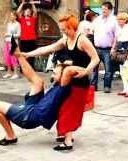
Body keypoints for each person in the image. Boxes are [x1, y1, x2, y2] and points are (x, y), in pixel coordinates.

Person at [22, 15, 99, 151]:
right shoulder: (65, 39)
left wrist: (86, 71)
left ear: (73, 27)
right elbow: (47, 49)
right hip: (66, 80)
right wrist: (28, 54)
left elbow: (95, 59)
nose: (63, 32)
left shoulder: (82, 40)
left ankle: (68, 142)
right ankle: (63, 134)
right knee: (61, 106)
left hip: (79, 82)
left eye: (65, 29)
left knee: (68, 109)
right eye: (62, 29)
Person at [0, 37, 83, 146]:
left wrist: (84, 67)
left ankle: (10, 137)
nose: (52, 74)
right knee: (38, 82)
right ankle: (18, 55)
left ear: (64, 75)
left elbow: (72, 70)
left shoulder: (63, 85)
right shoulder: (60, 86)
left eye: (55, 73)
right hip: (36, 106)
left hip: (30, 116)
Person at [91, 1, 118, 93]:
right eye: (102, 9)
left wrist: (113, 48)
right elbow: (91, 30)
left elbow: (116, 36)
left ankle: (107, 86)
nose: (103, 11)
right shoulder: (97, 19)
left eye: (105, 9)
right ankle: (93, 86)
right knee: (94, 68)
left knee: (108, 69)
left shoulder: (114, 20)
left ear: (110, 10)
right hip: (96, 48)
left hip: (107, 49)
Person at [114, 13, 128, 97]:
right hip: (121, 50)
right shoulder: (120, 29)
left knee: (127, 71)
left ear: (125, 20)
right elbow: (117, 39)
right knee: (122, 71)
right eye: (118, 19)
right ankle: (125, 89)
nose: (119, 21)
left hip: (127, 51)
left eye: (121, 19)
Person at [17, 0, 37, 70]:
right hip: (24, 40)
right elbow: (18, 12)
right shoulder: (22, 19)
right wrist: (22, 3)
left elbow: (35, 12)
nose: (28, 12)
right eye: (26, 11)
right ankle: (23, 68)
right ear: (24, 12)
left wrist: (32, 4)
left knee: (32, 54)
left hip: (32, 39)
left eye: (29, 11)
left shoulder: (33, 19)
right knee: (23, 54)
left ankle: (31, 67)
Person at [3, 11, 21, 79]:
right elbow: (7, 32)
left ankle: (16, 73)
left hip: (13, 42)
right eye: (10, 15)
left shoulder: (18, 24)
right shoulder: (8, 24)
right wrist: (6, 36)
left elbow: (19, 35)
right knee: (7, 57)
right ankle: (9, 72)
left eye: (12, 15)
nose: (11, 17)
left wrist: (10, 35)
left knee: (13, 57)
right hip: (7, 41)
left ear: (15, 16)